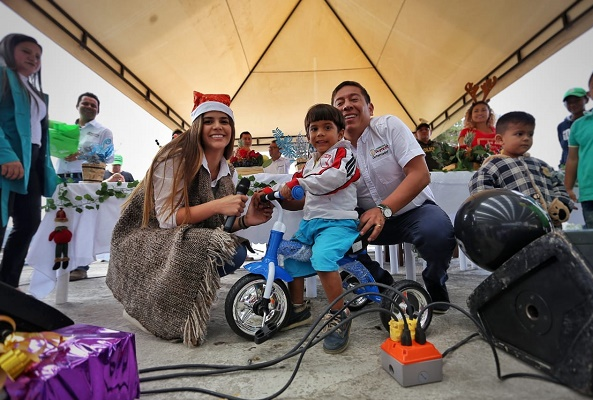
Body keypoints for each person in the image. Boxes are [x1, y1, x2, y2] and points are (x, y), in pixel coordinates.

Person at [105, 92, 273, 346]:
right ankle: (146, 306)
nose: (217, 126)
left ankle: (184, 297)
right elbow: (167, 219)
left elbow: (221, 228)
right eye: (209, 121)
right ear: (196, 127)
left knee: (233, 252)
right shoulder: (174, 159)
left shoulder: (230, 172)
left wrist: (247, 219)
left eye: (224, 121)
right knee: (204, 245)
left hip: (187, 232)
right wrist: (218, 204)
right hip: (146, 233)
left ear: (232, 130)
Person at [331, 81, 456, 314]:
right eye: (340, 103)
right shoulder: (335, 150)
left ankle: (435, 280)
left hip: (415, 212)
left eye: (354, 99)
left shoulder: (389, 126)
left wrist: (384, 209)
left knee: (439, 233)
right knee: (332, 236)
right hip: (368, 221)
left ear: (370, 107)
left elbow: (420, 174)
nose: (347, 106)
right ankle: (386, 287)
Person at [277, 104, 360, 354]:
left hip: (338, 222)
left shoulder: (344, 156)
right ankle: (298, 309)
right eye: (314, 129)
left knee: (323, 259)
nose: (320, 133)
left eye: (327, 127)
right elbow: (301, 185)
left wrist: (297, 182)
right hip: (312, 222)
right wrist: (275, 193)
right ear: (308, 135)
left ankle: (339, 313)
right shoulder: (310, 162)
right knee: (289, 256)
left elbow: (331, 180)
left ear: (341, 133)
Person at [0, 34, 57, 288]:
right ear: (8, 50)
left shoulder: (35, 91)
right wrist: (5, 155)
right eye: (26, 52)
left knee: (29, 221)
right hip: (8, 160)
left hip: (31, 162)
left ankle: (8, 289)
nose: (33, 59)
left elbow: (40, 134)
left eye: (37, 56)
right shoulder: (2, 76)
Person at [469, 111, 574, 228]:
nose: (526, 138)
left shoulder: (540, 164)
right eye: (519, 134)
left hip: (551, 230)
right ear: (500, 140)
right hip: (514, 229)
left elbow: (558, 184)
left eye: (530, 134)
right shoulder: (493, 166)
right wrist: (497, 216)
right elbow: (480, 193)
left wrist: (562, 203)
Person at [56, 92, 114, 281]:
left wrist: (81, 153)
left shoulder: (102, 131)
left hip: (86, 179)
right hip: (62, 178)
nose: (89, 107)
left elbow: (108, 156)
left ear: (98, 110)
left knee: (83, 224)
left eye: (93, 105)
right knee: (62, 222)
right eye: (85, 103)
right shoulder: (64, 130)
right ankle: (62, 263)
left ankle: (80, 266)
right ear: (77, 105)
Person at [565, 66, 593, 229]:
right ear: (590, 93)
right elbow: (573, 158)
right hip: (591, 194)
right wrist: (568, 187)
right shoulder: (578, 126)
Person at [557, 88, 588, 169]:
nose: (573, 104)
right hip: (567, 168)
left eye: (577, 100)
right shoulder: (562, 126)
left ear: (586, 99)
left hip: (589, 166)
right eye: (569, 102)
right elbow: (565, 149)